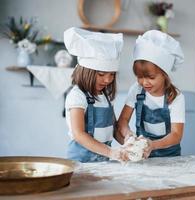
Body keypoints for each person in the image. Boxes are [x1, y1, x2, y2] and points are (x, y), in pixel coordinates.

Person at [117, 30, 185, 158]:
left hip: (170, 158)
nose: (144, 82)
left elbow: (176, 135)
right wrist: (128, 135)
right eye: (139, 77)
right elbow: (123, 121)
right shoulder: (136, 90)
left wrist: (152, 145)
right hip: (142, 157)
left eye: (151, 77)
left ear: (164, 75)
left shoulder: (175, 97)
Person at [64, 27, 125, 162]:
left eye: (112, 74)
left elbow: (114, 130)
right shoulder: (77, 96)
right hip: (81, 163)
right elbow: (79, 134)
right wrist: (111, 152)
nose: (108, 80)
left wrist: (129, 143)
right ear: (86, 72)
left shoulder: (106, 97)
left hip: (103, 162)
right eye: (101, 74)